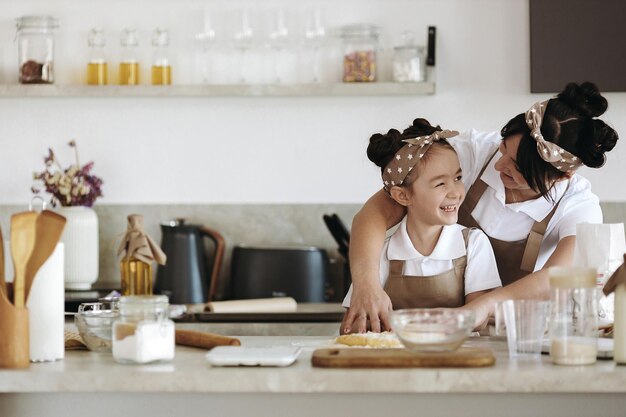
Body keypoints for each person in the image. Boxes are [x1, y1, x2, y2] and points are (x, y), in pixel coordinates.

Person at [341, 82, 619, 334]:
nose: (500, 166)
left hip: (518, 334)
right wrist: (366, 284)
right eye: (503, 150)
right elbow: (376, 212)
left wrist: (482, 307)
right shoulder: (472, 153)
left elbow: (559, 277)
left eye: (517, 168)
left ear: (561, 176)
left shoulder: (577, 205)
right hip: (453, 332)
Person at [340, 119, 502, 332]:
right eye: (440, 183)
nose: (455, 192)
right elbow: (357, 322)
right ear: (403, 196)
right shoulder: (380, 252)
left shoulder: (473, 244)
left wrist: (408, 324)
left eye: (458, 177)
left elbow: (478, 318)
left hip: (459, 361)